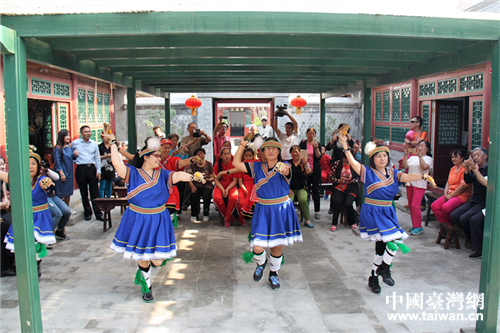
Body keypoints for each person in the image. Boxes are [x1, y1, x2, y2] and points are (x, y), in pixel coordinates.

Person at [105, 134, 204, 302]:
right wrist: (113, 143)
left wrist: (193, 176)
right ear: (145, 157)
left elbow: (178, 176)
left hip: (158, 219)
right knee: (143, 258)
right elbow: (117, 163)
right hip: (138, 218)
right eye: (156, 155)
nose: (160, 158)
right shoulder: (133, 173)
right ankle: (147, 286)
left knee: (157, 261)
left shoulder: (163, 174)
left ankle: (146, 264)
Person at [338, 133, 435, 294]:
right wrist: (345, 145)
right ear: (373, 159)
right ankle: (384, 269)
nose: (382, 159)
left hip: (388, 211)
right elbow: (353, 162)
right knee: (394, 239)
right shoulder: (366, 172)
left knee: (383, 245)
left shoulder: (393, 173)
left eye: (385, 156)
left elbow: (407, 176)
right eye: (378, 156)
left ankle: (375, 274)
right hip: (372, 211)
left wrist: (424, 176)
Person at [233, 137, 302, 290]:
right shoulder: (256, 167)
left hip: (281, 210)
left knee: (277, 247)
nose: (271, 151)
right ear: (262, 151)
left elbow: (286, 171)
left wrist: (282, 168)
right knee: (257, 246)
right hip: (263, 209)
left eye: (274, 148)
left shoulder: (285, 165)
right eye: (267, 148)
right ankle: (261, 262)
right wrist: (243, 144)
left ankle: (274, 274)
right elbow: (236, 163)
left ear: (279, 151)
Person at [1, 147, 57, 278]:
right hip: (24, 217)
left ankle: (36, 266)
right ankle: (26, 266)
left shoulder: (41, 180)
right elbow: (4, 175)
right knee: (22, 243)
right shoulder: (19, 180)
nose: (31, 166)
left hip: (39, 217)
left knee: (35, 242)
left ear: (38, 166)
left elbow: (46, 183)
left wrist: (47, 183)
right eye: (28, 163)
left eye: (33, 163)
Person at [450, 147, 488, 259]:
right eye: (474, 155)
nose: (475, 157)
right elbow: (468, 180)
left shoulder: (488, 169)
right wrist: (466, 169)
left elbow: (484, 183)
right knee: (455, 215)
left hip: (483, 201)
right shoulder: (477, 168)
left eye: (478, 155)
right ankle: (470, 237)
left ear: (485, 156)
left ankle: (478, 249)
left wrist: (475, 171)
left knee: (470, 219)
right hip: (474, 199)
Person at [430, 148, 472, 224]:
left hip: (460, 196)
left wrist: (451, 195)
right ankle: (444, 224)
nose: (453, 159)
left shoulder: (465, 169)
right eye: (452, 157)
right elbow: (448, 183)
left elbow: (463, 186)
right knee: (434, 206)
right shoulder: (452, 169)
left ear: (462, 158)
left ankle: (449, 224)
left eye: (456, 157)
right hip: (450, 194)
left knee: (446, 207)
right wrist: (445, 193)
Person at [71, 125, 103, 221]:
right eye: (86, 132)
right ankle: (88, 212)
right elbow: (70, 156)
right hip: (81, 168)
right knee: (83, 192)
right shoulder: (75, 143)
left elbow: (97, 158)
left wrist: (98, 171)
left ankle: (98, 213)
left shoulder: (94, 144)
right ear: (81, 133)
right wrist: (74, 157)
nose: (88, 133)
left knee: (94, 192)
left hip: (91, 168)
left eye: (89, 131)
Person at [401, 140, 433, 236]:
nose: (419, 147)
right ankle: (415, 225)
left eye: (422, 146)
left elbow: (424, 167)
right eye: (419, 145)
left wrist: (420, 156)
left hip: (420, 184)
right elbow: (404, 166)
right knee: (411, 205)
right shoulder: (412, 158)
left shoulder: (428, 159)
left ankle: (418, 226)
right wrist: (406, 155)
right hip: (410, 183)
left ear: (427, 149)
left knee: (415, 205)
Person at [330, 150, 360, 231]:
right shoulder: (337, 164)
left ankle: (353, 221)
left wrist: (351, 181)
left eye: (348, 158)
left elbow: (358, 178)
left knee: (348, 203)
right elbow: (331, 177)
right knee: (337, 201)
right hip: (339, 187)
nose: (346, 160)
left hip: (351, 188)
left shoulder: (355, 165)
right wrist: (339, 180)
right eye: (344, 158)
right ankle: (334, 223)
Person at [299, 128, 323, 220]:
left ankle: (317, 211)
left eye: (313, 133)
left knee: (316, 190)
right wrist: (305, 162)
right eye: (310, 133)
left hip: (316, 170)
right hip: (305, 169)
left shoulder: (317, 144)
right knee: (306, 189)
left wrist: (316, 147)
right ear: (307, 134)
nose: (311, 135)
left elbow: (318, 156)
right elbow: (302, 156)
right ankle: (305, 210)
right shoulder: (303, 144)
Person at [186, 148, 214, 222]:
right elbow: (188, 177)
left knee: (207, 194)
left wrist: (209, 180)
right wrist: (192, 186)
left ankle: (206, 213)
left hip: (206, 184)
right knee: (194, 195)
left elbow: (213, 177)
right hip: (195, 185)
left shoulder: (209, 164)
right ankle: (194, 214)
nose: (200, 156)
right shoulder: (192, 165)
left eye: (202, 154)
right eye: (198, 154)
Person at [213, 147, 239, 227]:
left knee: (234, 198)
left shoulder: (233, 165)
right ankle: (229, 217)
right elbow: (216, 180)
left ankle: (226, 218)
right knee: (217, 198)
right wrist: (223, 189)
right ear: (221, 156)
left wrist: (227, 189)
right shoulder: (217, 165)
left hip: (231, 186)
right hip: (220, 186)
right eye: (225, 154)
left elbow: (235, 181)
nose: (227, 156)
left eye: (228, 154)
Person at [44, 166, 71, 241]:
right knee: (57, 214)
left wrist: (47, 171)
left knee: (67, 211)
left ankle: (59, 231)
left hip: (52, 196)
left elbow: (56, 177)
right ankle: (47, 235)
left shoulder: (44, 171)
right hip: (44, 197)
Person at [289, 145, 313, 228]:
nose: (295, 153)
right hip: (290, 188)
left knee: (303, 200)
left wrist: (306, 162)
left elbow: (309, 173)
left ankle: (307, 220)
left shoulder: (303, 163)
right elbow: (282, 177)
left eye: (296, 151)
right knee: (288, 201)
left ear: (300, 153)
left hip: (301, 188)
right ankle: (289, 221)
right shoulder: (288, 163)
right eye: (293, 152)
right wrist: (286, 188)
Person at [52, 129, 77, 206]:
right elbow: (57, 161)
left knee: (68, 192)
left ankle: (67, 207)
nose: (68, 137)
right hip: (62, 172)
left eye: (69, 135)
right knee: (60, 192)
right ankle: (61, 207)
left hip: (69, 172)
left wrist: (75, 155)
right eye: (66, 135)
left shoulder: (70, 146)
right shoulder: (58, 148)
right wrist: (61, 173)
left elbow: (72, 158)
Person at [236, 148, 257, 225]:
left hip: (254, 188)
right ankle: (241, 219)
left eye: (250, 156)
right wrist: (245, 190)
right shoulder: (241, 166)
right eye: (246, 156)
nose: (248, 157)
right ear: (243, 156)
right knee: (241, 203)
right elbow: (240, 182)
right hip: (243, 188)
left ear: (253, 156)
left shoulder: (255, 165)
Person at [1, 176, 15, 277]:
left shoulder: (2, 180)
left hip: (2, 210)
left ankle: (12, 262)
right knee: (6, 227)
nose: (2, 167)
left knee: (15, 223)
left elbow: (5, 199)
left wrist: (5, 202)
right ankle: (4, 267)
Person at [99, 132, 115, 198]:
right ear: (102, 137)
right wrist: (105, 156)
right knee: (102, 186)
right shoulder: (99, 146)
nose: (106, 138)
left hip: (111, 168)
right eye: (105, 136)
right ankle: (102, 200)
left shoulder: (112, 146)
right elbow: (97, 157)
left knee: (109, 186)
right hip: (102, 168)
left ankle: (109, 199)